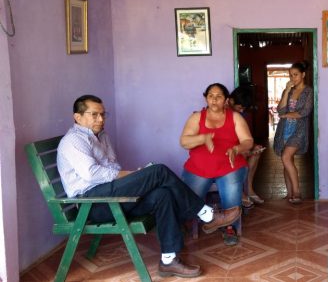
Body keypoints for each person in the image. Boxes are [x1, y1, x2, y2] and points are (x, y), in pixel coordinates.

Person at [57, 95, 241, 279]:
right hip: (93, 203)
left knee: (162, 194)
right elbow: (92, 174)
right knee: (158, 171)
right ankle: (206, 214)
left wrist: (135, 176)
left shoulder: (102, 136)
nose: (101, 119)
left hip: (110, 194)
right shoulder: (73, 140)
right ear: (78, 117)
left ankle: (169, 261)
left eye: (103, 114)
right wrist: (133, 176)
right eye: (94, 114)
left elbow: (113, 167)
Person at [180, 83, 254, 246]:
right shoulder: (196, 117)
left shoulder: (235, 117)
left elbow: (248, 141)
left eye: (219, 96)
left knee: (232, 193)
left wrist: (237, 148)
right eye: (210, 96)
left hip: (230, 166)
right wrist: (203, 138)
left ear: (226, 100)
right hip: (198, 168)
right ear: (206, 98)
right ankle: (195, 221)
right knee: (188, 199)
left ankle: (229, 226)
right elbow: (184, 141)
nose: (214, 99)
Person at [273, 61, 314, 204]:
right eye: (290, 75)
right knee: (287, 161)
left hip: (299, 130)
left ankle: (297, 192)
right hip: (284, 129)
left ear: (303, 75)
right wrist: (285, 93)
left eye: (295, 75)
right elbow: (280, 110)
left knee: (285, 157)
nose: (293, 78)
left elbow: (305, 111)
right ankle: (289, 193)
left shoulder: (308, 91)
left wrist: (287, 115)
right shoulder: (288, 90)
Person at [228, 86, 266, 207]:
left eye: (244, 108)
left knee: (257, 151)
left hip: (237, 147)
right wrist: (244, 150)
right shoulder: (222, 114)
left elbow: (243, 137)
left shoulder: (238, 115)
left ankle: (249, 189)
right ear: (231, 101)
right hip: (227, 151)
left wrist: (254, 146)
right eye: (240, 107)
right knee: (244, 154)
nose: (242, 111)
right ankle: (239, 192)